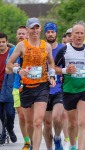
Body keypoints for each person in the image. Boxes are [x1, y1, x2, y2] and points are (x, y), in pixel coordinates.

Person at [6, 17, 56, 150]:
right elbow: (9, 64)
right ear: (27, 30)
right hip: (26, 87)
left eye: (37, 28)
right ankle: (33, 143)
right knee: (29, 123)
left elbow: (51, 62)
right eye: (32, 28)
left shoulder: (46, 46)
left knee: (38, 121)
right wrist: (18, 70)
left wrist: (52, 76)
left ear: (40, 29)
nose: (35, 31)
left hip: (42, 86)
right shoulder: (22, 45)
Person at [55, 21, 85, 150]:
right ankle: (73, 145)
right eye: (76, 33)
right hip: (69, 89)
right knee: (72, 123)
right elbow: (54, 67)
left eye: (81, 33)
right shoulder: (64, 50)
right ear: (72, 35)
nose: (79, 36)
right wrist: (65, 70)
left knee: (83, 121)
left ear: (84, 35)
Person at [43, 22, 64, 150]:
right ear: (45, 33)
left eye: (52, 31)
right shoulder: (41, 48)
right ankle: (49, 148)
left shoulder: (63, 49)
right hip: (43, 90)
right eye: (48, 32)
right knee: (46, 123)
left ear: (56, 33)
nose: (50, 34)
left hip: (59, 89)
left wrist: (64, 74)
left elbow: (69, 67)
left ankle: (57, 137)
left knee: (57, 118)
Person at [11, 26, 31, 150]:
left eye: (23, 33)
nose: (21, 35)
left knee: (31, 117)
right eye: (19, 34)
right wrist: (15, 67)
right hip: (17, 86)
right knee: (22, 116)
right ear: (16, 36)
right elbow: (8, 68)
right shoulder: (13, 50)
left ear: (27, 35)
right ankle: (26, 141)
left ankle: (34, 138)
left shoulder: (32, 48)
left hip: (32, 86)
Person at [0, 32, 17, 145]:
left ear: (6, 42)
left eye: (3, 42)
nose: (1, 44)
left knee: (10, 113)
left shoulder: (12, 53)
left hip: (8, 87)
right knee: (1, 114)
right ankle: (3, 133)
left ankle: (10, 128)